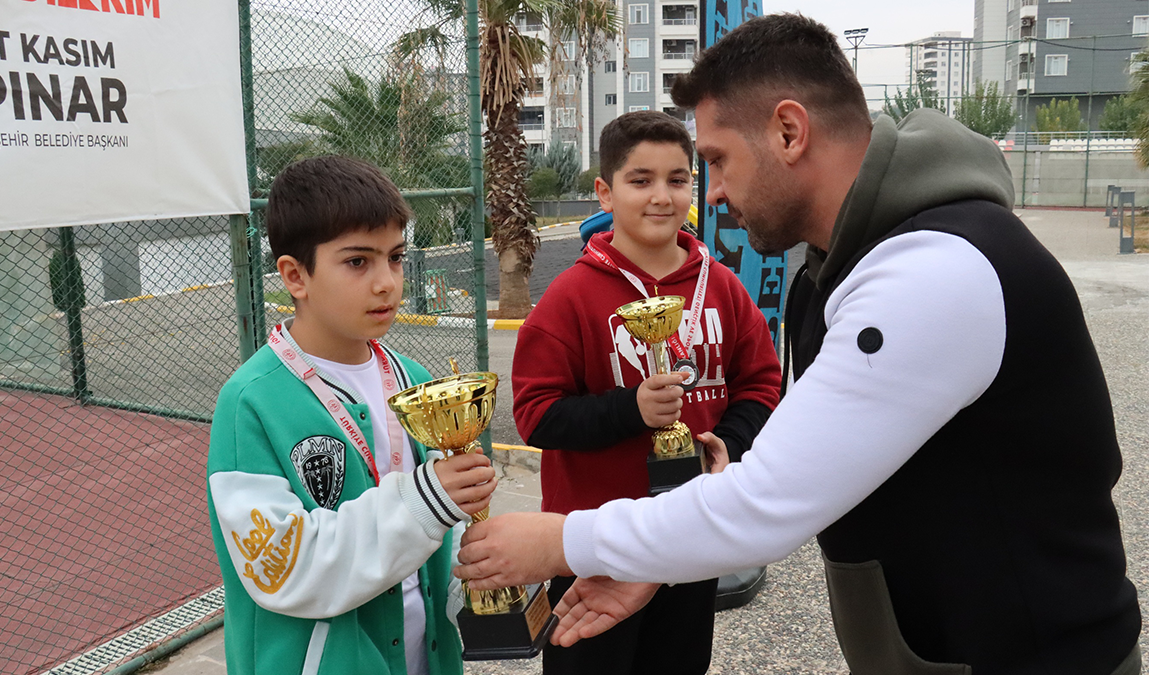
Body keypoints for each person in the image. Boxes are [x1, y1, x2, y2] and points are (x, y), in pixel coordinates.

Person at [454, 14, 1143, 675]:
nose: (711, 193)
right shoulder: (847, 267)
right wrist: (657, 555)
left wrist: (556, 540)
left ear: (789, 131)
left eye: (717, 161)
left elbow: (765, 504)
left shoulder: (934, 270)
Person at [510, 110, 781, 675]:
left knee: (681, 663)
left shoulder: (722, 287)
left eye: (678, 179)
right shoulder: (571, 297)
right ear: (605, 193)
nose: (662, 196)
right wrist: (628, 409)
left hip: (689, 530)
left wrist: (728, 442)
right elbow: (536, 416)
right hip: (594, 543)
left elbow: (761, 382)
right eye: (641, 180)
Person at [206, 156, 496, 675]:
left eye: (396, 257)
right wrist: (428, 500)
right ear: (296, 276)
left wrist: (476, 579)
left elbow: (435, 534)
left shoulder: (411, 378)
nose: (387, 282)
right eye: (358, 262)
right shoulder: (250, 402)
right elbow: (286, 570)